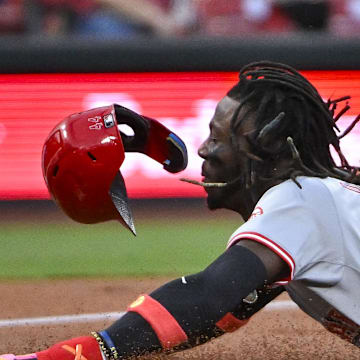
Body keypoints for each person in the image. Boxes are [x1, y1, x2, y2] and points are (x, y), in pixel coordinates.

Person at [2, 61, 360, 359]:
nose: (203, 150)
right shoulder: (314, 205)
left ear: (264, 150)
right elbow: (216, 313)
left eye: (219, 138)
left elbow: (204, 296)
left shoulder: (300, 200)